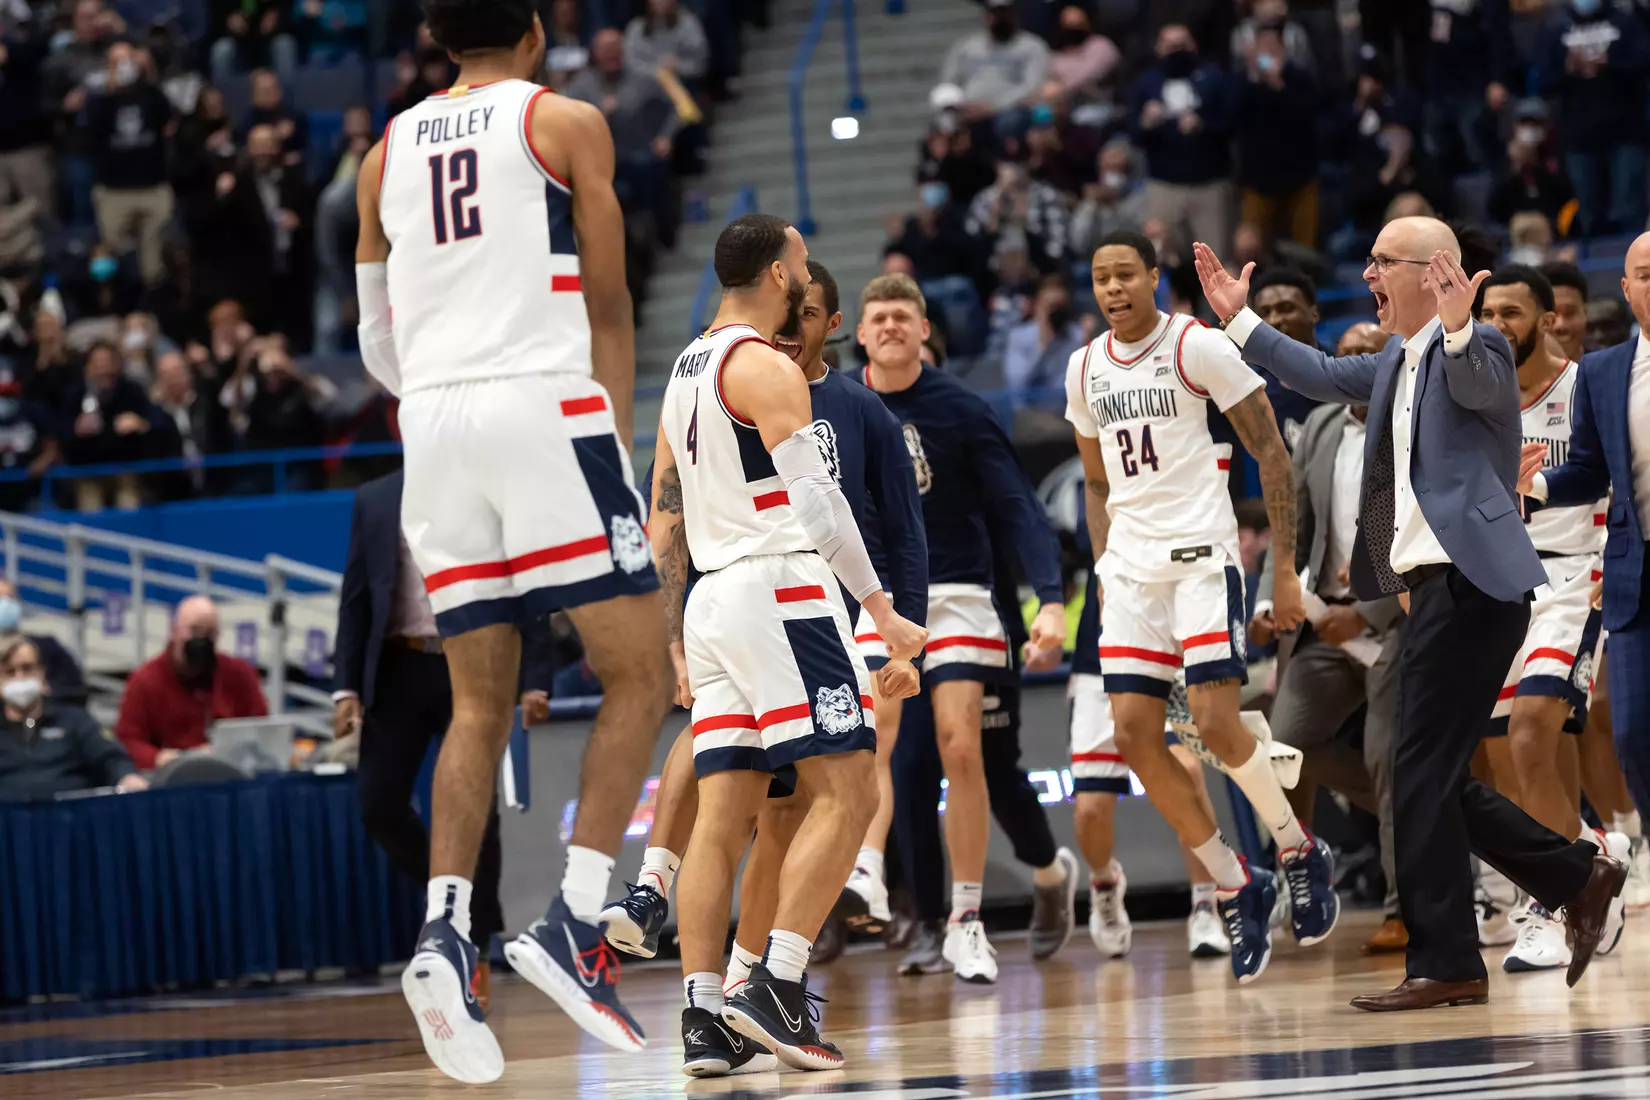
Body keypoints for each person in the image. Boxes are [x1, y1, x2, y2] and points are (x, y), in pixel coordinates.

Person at [354, 0, 672, 1080]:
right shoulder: (565, 119)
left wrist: (444, 395)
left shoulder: (381, 151)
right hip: (543, 402)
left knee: (477, 702)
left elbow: (371, 334)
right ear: (534, 29)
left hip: (432, 424)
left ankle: (445, 928)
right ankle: (575, 921)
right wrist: (610, 445)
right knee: (641, 671)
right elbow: (611, 298)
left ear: (442, 38)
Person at [1194, 217, 1626, 1010]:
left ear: (1434, 274)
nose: (1366, 276)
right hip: (1431, 589)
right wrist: (1239, 319)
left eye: (1380, 263)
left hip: (1473, 583)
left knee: (1417, 773)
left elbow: (1483, 389)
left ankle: (1454, 957)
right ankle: (1574, 877)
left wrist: (1462, 325)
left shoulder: (1482, 347)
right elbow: (1319, 372)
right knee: (1424, 775)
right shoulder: (1395, 356)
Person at [601, 258, 927, 1077]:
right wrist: (881, 607)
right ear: (779, 273)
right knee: (852, 788)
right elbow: (820, 503)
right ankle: (775, 984)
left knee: (729, 810)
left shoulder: (683, 374)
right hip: (780, 584)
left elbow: (663, 515)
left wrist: (673, 635)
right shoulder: (767, 367)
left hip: (713, 601)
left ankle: (704, 1016)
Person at [1066, 230, 1334, 985]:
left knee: (1215, 725)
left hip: (1201, 563)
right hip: (1130, 575)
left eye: (1125, 275)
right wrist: (1104, 564)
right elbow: (1093, 483)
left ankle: (1295, 845)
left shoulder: (1196, 346)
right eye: (1099, 278)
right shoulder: (1083, 367)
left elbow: (1269, 452)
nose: (1113, 289)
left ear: (1154, 278)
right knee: (1133, 735)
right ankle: (1231, 877)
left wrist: (1283, 571)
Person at [855, 272, 1068, 984]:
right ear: (860, 334)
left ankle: (974, 916)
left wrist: (1049, 600)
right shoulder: (836, 410)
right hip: (877, 603)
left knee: (969, 754)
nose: (889, 327)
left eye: (901, 316)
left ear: (923, 332)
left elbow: (1017, 506)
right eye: (877, 317)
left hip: (962, 595)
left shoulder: (962, 410)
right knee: (893, 757)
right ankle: (893, 895)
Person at [333, 470, 558, 1014]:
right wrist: (345, 687)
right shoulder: (376, 496)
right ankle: (446, 894)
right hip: (399, 666)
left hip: (475, 660)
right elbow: (357, 596)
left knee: (478, 808)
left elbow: (525, 587)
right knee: (378, 804)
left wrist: (535, 676)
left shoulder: (485, 487)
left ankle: (473, 946)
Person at [1471, 265, 1631, 972]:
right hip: (1501, 582)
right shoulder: (1472, 397)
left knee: (1537, 731)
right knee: (1508, 753)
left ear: (1547, 317)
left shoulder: (1586, 385)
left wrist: (1607, 570)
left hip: (1574, 576)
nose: (1499, 322)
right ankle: (1591, 864)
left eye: (1512, 310)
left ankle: (1557, 898)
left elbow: (1609, 478)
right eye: (1489, 312)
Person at [1252, 320, 1406, 955]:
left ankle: (1406, 908)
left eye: (1369, 353)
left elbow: (1432, 526)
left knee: (1390, 757)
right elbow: (1291, 523)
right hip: (1324, 618)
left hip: (1398, 619)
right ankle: (1439, 812)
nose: (1356, 364)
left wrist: (1368, 617)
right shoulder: (1317, 425)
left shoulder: (1414, 420)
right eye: (1345, 356)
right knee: (1283, 748)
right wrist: (1271, 596)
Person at [1520, 231, 1650, 914]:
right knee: (1629, 733)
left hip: (1593, 577)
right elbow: (1594, 472)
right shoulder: (1603, 374)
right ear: (1625, 291)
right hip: (1632, 572)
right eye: (1644, 275)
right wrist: (1539, 486)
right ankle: (1635, 842)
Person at [1069, 494, 1232, 962]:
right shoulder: (1106, 485)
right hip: (1099, 654)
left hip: (1167, 640)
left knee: (1189, 771)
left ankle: (1205, 905)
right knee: (1089, 811)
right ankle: (1104, 881)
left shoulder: (1185, 487)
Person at [114, 595, 269, 769]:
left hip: (231, 774)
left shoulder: (239, 674)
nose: (202, 639)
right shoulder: (144, 680)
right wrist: (159, 758)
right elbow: (128, 741)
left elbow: (262, 730)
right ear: (174, 630)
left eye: (210, 633)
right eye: (194, 631)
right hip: (172, 780)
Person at [0, 636, 145, 801]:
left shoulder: (74, 721)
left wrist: (127, 777)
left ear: (41, 673)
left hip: (71, 818)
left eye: (27, 668)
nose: (20, 677)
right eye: (10, 672)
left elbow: (111, 758)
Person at [1247, 267, 1324, 451]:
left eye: (1286, 308)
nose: (1274, 320)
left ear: (1313, 313)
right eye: (1264, 313)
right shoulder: (1249, 386)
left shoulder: (1342, 369)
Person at [0, 579, 87, 701]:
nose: (4, 604)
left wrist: (47, 693)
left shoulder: (46, 647)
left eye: (10, 598)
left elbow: (75, 689)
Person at [1540, 260, 1590, 364]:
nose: (1560, 325)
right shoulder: (1511, 376)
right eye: (1550, 316)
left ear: (1585, 313)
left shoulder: (1609, 371)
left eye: (1570, 313)